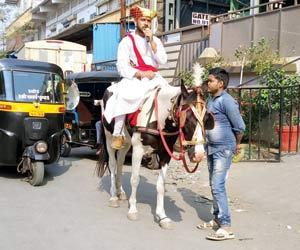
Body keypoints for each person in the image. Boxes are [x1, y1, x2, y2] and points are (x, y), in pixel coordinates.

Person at [103, 5, 168, 150]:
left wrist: (152, 42)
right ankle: (118, 133)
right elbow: (122, 66)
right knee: (123, 95)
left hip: (155, 77)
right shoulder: (127, 41)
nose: (146, 23)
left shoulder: (155, 40)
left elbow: (163, 60)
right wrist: (141, 74)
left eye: (148, 21)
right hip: (136, 78)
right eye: (143, 20)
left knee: (171, 96)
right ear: (135, 20)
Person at [199, 68, 245, 241]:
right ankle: (217, 218)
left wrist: (236, 145)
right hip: (211, 148)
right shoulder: (212, 100)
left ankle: (226, 227)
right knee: (213, 184)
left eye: (210, 80)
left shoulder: (227, 101)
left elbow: (240, 127)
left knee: (218, 185)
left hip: (223, 149)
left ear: (221, 83)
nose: (208, 83)